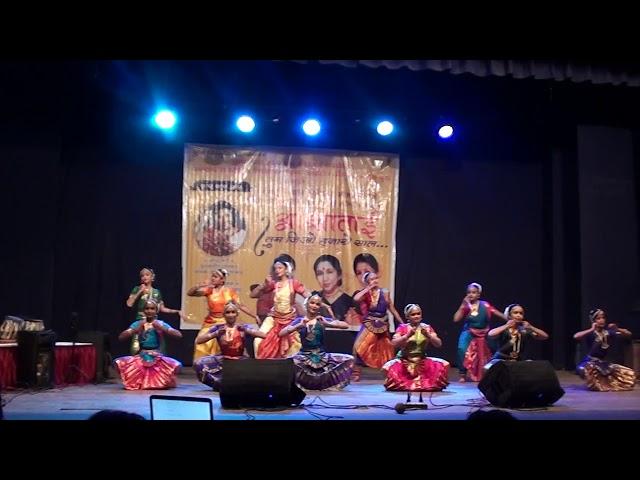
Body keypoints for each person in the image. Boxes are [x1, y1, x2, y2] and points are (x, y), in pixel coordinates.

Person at [279, 292, 355, 390]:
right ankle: (301, 385)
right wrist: (298, 326)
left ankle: (328, 385)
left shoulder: (322, 320)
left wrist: (328, 324)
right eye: (312, 303)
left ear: (320, 307)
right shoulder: (300, 321)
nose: (314, 306)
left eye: (317, 304)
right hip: (304, 356)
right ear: (307, 304)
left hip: (322, 356)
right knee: (287, 363)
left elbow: (345, 325)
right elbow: (281, 333)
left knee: (349, 359)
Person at [187, 268, 260, 362]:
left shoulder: (230, 292)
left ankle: (220, 367)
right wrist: (199, 285)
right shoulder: (209, 290)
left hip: (224, 322)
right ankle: (203, 366)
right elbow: (190, 293)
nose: (212, 278)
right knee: (201, 343)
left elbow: (241, 306)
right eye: (212, 276)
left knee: (223, 344)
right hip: (210, 321)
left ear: (222, 280)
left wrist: (255, 316)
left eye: (215, 277)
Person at [193, 301, 267, 391]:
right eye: (228, 312)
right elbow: (198, 340)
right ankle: (221, 384)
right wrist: (215, 334)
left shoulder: (243, 327)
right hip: (224, 360)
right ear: (224, 314)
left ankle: (235, 384)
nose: (231, 315)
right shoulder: (218, 328)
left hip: (240, 360)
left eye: (233, 312)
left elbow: (264, 335)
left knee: (258, 371)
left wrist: (247, 330)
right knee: (198, 363)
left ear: (237, 314)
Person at [114, 300, 182, 390]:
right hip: (142, 356)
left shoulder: (160, 324)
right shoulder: (138, 323)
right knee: (120, 363)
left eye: (152, 309)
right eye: (147, 308)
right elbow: (121, 337)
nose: (149, 311)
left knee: (174, 365)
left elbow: (178, 335)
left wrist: (162, 328)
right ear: (143, 311)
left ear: (156, 310)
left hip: (157, 357)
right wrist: (135, 330)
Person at [383, 304, 449, 391]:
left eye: (418, 313)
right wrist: (407, 336)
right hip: (405, 361)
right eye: (413, 314)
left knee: (441, 367)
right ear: (407, 316)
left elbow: (438, 344)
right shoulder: (403, 328)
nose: (416, 316)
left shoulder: (427, 328)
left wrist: (428, 335)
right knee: (393, 374)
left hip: (421, 360)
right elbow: (394, 343)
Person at [253, 259, 310, 358]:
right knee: (258, 340)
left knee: (295, 345)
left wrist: (311, 304)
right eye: (275, 268)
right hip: (274, 318)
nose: (277, 270)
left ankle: (289, 369)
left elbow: (308, 295)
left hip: (289, 319)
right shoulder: (273, 284)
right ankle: (262, 367)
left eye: (280, 268)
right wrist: (264, 285)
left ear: (286, 269)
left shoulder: (293, 283)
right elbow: (253, 295)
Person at [351, 271, 404, 379]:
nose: (375, 281)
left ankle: (391, 374)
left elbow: (391, 308)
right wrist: (368, 288)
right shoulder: (366, 293)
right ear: (367, 282)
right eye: (371, 279)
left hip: (382, 324)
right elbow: (355, 299)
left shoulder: (384, 292)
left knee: (387, 350)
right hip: (370, 323)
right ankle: (356, 373)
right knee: (358, 347)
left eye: (376, 278)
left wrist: (402, 323)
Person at [452, 282, 507, 382]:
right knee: (461, 349)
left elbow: (497, 313)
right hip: (469, 332)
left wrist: (510, 320)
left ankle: (487, 373)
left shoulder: (485, 305)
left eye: (473, 292)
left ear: (478, 294)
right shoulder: (466, 306)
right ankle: (462, 374)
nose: (471, 294)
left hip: (484, 333)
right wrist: (462, 305)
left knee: (490, 351)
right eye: (469, 292)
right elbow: (456, 319)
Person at [573, 308, 635, 391]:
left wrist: (617, 329)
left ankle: (604, 383)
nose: (602, 320)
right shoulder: (590, 333)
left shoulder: (607, 333)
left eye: (603, 318)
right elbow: (576, 336)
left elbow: (628, 334)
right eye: (598, 318)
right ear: (593, 321)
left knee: (629, 375)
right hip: (589, 362)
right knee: (588, 371)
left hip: (602, 363)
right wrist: (591, 329)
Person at [125, 267, 183, 355]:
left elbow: (162, 308)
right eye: (142, 275)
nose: (144, 277)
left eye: (147, 275)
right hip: (141, 322)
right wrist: (140, 291)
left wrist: (177, 311)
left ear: (152, 277)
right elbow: (129, 304)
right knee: (136, 347)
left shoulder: (156, 292)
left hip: (154, 323)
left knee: (159, 346)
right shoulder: (137, 289)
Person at [484, 303, 549, 370]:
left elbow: (545, 336)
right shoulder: (504, 329)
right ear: (509, 315)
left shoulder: (524, 330)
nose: (518, 315)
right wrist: (507, 325)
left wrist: (531, 327)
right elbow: (491, 334)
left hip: (518, 360)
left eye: (521, 313)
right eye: (515, 313)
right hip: (501, 359)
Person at [313, 254, 360, 328]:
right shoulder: (313, 298)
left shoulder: (349, 302)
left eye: (330, 272)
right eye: (320, 274)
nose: (325, 278)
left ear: (339, 274)